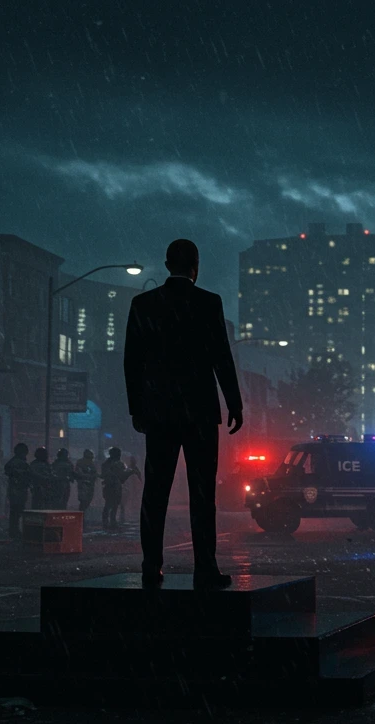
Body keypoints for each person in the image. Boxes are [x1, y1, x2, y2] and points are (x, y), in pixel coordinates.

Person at [124, 238, 243, 589]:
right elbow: (221, 355)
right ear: (196, 265)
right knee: (203, 493)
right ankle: (205, 567)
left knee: (155, 492)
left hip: (160, 411)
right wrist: (233, 402)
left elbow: (132, 361)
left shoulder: (144, 304)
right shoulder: (208, 303)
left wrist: (137, 407)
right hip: (200, 412)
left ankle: (151, 565)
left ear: (166, 264)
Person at [100, 447, 138, 530]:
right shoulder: (108, 464)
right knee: (109, 505)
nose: (119, 455)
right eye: (118, 454)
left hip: (116, 486)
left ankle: (112, 522)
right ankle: (106, 522)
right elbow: (107, 475)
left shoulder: (118, 463)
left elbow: (122, 477)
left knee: (115, 505)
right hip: (110, 486)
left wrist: (129, 472)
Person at [4, 443, 32, 536]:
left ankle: (14, 529)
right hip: (18, 490)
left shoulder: (14, 462)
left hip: (16, 489)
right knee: (17, 511)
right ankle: (14, 530)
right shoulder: (18, 462)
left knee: (15, 511)